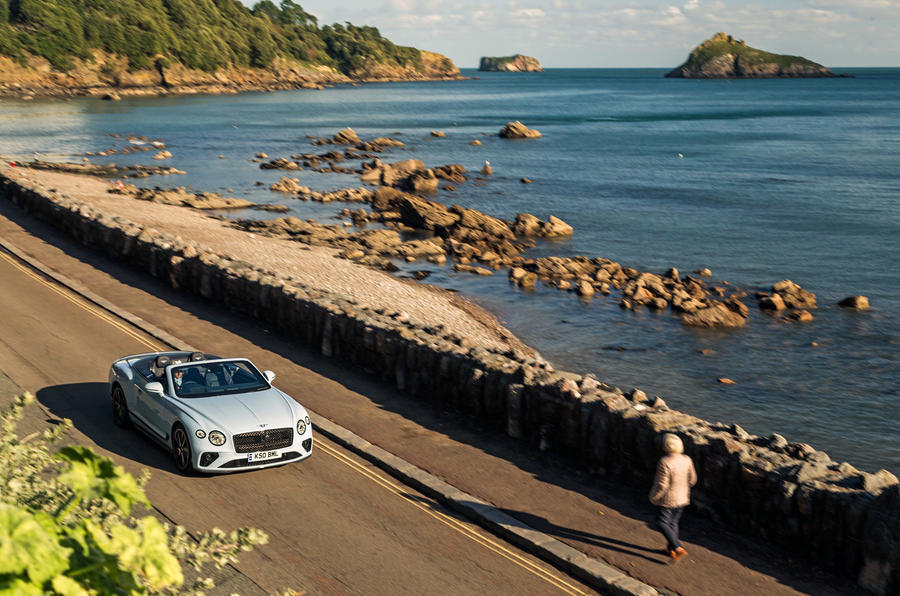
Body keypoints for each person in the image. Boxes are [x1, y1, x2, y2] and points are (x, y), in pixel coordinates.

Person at [649, 433, 697, 564]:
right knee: (673, 523)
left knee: (661, 522)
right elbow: (692, 479)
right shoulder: (687, 459)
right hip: (682, 498)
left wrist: (654, 497)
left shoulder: (665, 462)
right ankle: (671, 549)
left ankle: (677, 547)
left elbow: (661, 485)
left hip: (668, 500)